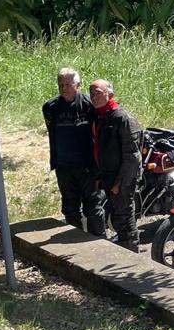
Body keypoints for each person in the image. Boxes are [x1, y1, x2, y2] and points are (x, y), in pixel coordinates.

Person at [42, 67, 103, 236]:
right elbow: (51, 132)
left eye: (68, 84)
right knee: (69, 207)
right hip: (63, 166)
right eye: (61, 84)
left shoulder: (89, 105)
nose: (64, 88)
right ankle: (74, 239)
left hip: (88, 166)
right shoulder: (50, 107)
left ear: (78, 85)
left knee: (92, 206)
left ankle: (98, 240)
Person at [89, 78, 143, 252]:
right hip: (107, 175)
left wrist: (120, 183)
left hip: (121, 178)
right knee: (115, 215)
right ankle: (123, 249)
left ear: (110, 94)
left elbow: (132, 157)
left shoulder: (123, 118)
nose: (93, 97)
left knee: (124, 216)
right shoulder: (100, 116)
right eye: (91, 93)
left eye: (97, 93)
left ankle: (131, 252)